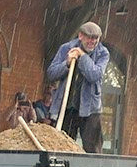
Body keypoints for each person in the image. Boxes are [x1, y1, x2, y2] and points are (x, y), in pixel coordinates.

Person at [45, 22, 109, 153]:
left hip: (91, 109)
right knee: (63, 147)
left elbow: (94, 75)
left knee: (93, 150)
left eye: (95, 38)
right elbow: (51, 73)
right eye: (89, 37)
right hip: (67, 107)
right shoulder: (65, 48)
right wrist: (67, 63)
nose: (92, 41)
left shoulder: (103, 53)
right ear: (80, 36)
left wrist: (82, 56)